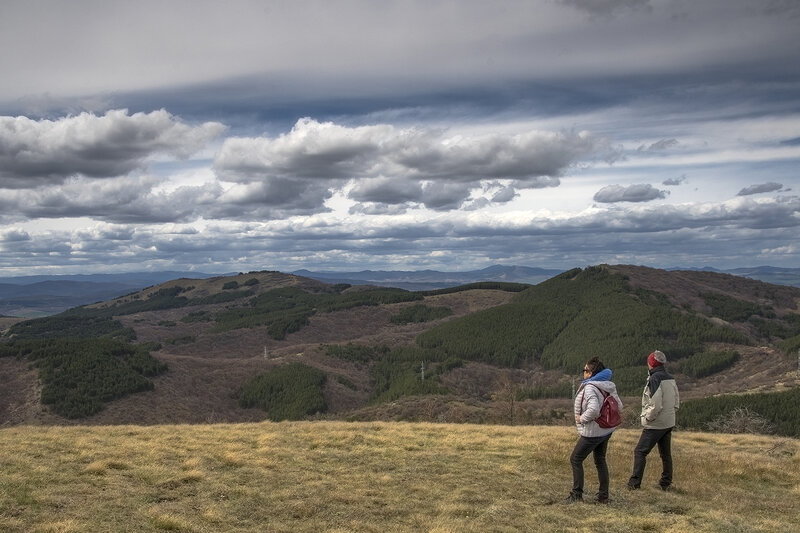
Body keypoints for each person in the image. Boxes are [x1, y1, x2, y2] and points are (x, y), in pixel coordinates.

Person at [567, 356, 623, 504]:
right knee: (600, 460)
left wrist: (581, 418)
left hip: (593, 432)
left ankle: (577, 494)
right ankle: (603, 496)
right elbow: (619, 406)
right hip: (606, 430)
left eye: (585, 370)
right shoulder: (608, 386)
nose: (583, 373)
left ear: (591, 373)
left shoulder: (590, 387)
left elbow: (593, 410)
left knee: (575, 459)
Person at [627, 350, 680, 491]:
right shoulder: (670, 377)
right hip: (668, 421)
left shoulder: (655, 378)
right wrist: (670, 414)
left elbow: (655, 404)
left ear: (651, 363)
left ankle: (634, 484)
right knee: (665, 454)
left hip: (656, 423)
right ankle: (665, 482)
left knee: (640, 451)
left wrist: (647, 418)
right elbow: (676, 400)